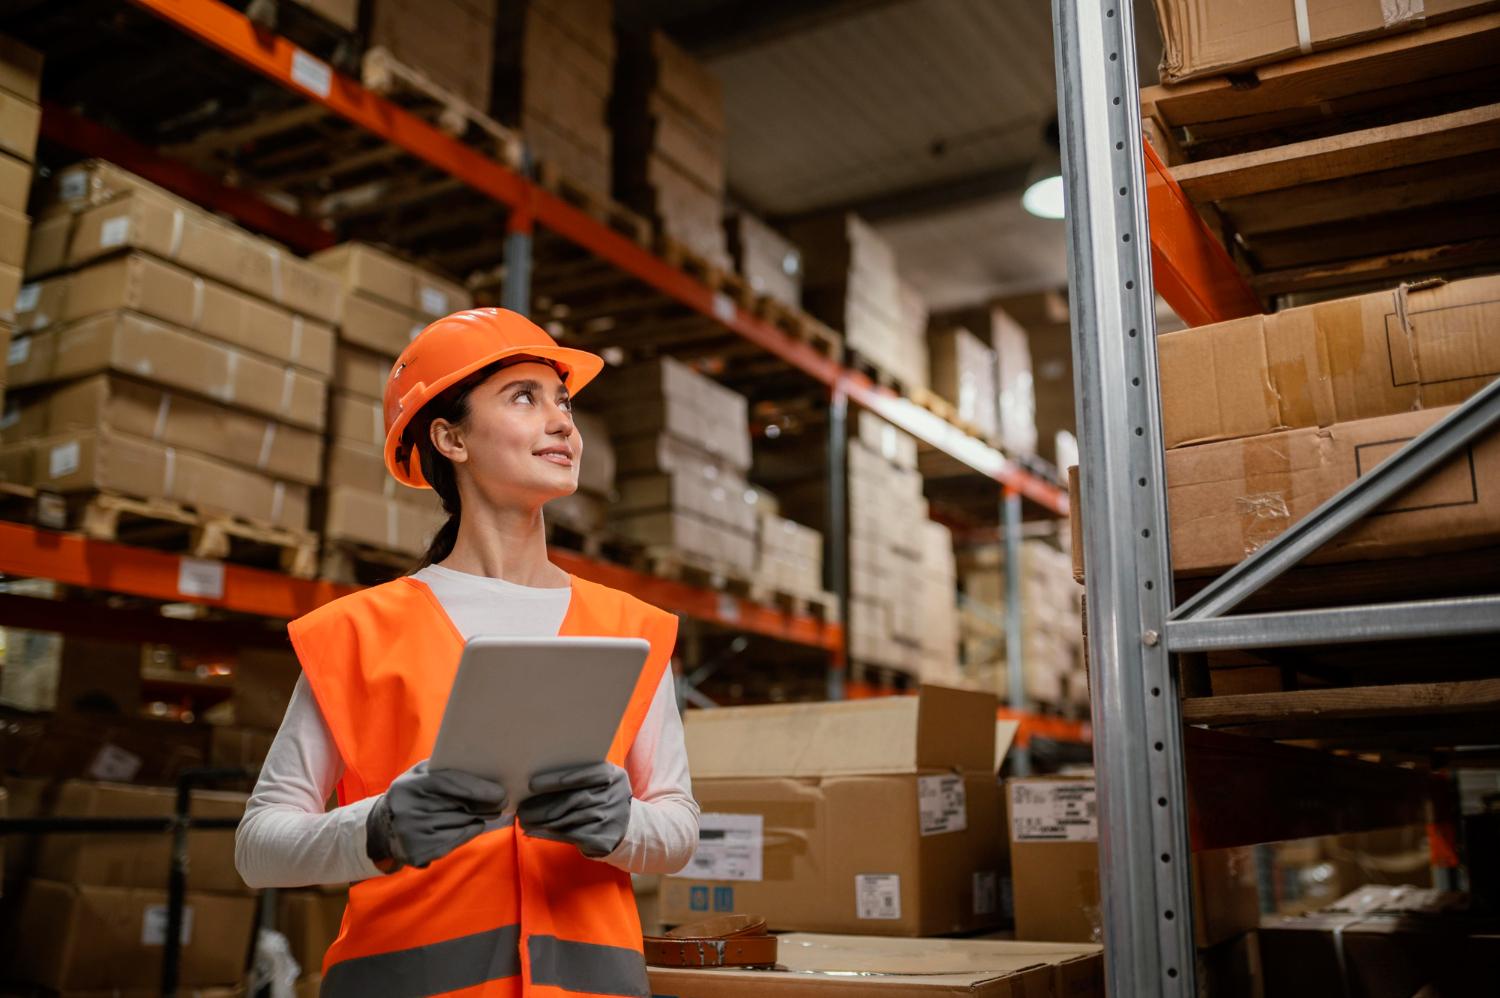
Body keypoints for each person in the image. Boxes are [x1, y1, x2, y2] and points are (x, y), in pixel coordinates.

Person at [235, 308, 700, 997]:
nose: (562, 423)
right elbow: (258, 848)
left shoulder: (628, 629)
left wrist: (621, 823)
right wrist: (380, 828)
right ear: (449, 437)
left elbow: (679, 828)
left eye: (563, 402)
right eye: (524, 397)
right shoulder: (358, 633)